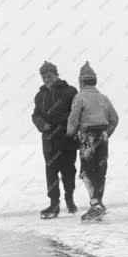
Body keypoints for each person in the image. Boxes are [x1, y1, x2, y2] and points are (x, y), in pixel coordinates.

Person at [66, 62, 119, 222]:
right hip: (102, 136)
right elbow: (114, 119)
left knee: (87, 171)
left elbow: (73, 119)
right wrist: (106, 133)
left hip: (87, 136)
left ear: (81, 81)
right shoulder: (104, 98)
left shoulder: (79, 97)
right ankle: (99, 202)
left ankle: (95, 204)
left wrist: (70, 133)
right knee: (100, 170)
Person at [32, 61, 79, 218]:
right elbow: (35, 115)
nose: (47, 78)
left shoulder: (70, 91)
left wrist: (59, 120)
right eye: (44, 76)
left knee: (69, 171)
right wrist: (41, 124)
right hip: (49, 140)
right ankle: (54, 204)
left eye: (49, 75)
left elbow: (76, 112)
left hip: (67, 139)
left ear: (56, 74)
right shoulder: (40, 95)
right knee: (51, 172)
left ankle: (69, 198)